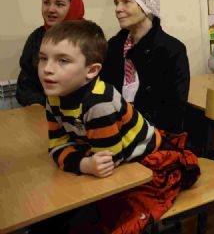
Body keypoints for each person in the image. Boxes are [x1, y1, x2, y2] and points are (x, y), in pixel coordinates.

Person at [39, 20, 198, 232]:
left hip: (145, 156)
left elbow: (107, 162)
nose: (47, 69)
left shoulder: (99, 103)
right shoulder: (54, 96)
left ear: (92, 71)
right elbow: (57, 145)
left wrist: (80, 162)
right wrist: (83, 163)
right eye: (43, 58)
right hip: (101, 150)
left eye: (63, 61)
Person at [101, 0, 190, 134]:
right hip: (113, 131)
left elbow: (174, 110)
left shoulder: (172, 50)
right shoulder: (114, 46)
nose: (118, 9)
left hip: (153, 135)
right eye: (116, 3)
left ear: (146, 6)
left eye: (126, 1)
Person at [16, 0, 85, 106]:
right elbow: (27, 80)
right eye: (46, 3)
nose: (50, 9)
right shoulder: (37, 37)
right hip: (42, 109)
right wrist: (35, 104)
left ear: (73, 7)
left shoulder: (88, 36)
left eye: (59, 4)